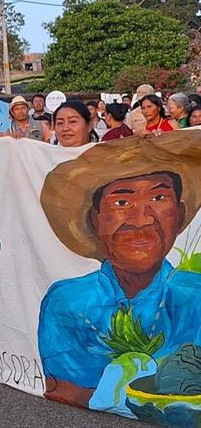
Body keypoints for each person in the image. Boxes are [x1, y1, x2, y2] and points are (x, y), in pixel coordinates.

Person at [38, 131, 201, 413]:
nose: (142, 219)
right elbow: (59, 387)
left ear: (180, 214)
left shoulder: (195, 295)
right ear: (94, 218)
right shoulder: (67, 302)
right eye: (122, 202)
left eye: (159, 197)